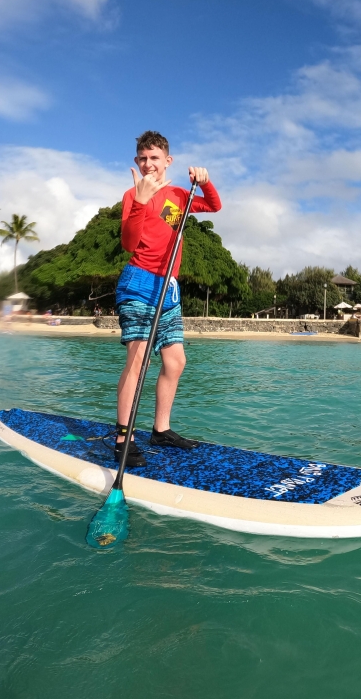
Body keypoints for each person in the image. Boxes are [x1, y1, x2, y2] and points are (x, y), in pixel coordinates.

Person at [114, 130, 221, 467]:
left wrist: (204, 181)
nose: (148, 164)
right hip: (139, 284)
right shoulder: (132, 195)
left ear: (167, 161)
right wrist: (142, 202)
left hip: (169, 288)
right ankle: (123, 438)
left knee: (175, 362)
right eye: (143, 158)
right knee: (139, 360)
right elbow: (129, 244)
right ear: (136, 161)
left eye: (154, 158)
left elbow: (214, 206)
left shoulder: (178, 195)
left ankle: (160, 430)